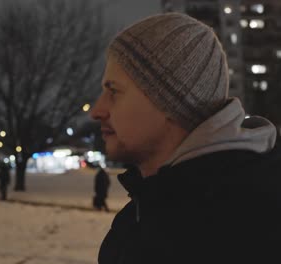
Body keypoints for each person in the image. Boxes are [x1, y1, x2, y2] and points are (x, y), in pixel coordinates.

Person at [90, 13, 281, 264]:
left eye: (114, 91)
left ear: (169, 102)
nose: (97, 111)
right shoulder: (144, 212)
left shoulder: (248, 231)